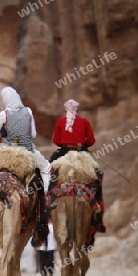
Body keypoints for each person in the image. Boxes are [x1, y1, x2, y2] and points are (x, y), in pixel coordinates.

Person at [50, 99, 106, 233]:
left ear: (65, 110)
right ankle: (97, 208)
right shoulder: (84, 122)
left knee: (51, 172)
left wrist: (66, 141)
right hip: (81, 152)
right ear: (77, 110)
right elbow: (91, 141)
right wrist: (82, 143)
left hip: (64, 152)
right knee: (96, 175)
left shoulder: (60, 122)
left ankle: (49, 202)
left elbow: (56, 141)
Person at [0, 87, 51, 193]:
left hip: (6, 148)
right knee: (46, 168)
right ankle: (46, 195)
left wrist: (2, 137)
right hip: (26, 149)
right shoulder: (28, 111)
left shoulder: (3, 114)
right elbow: (33, 134)